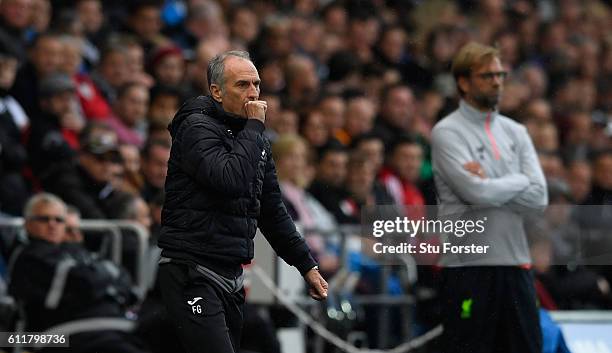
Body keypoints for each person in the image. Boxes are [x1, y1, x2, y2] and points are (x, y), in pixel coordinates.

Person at [158, 50, 327, 353]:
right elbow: (230, 180)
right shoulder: (196, 128)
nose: (253, 94)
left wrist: (307, 265)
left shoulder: (255, 140)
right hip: (192, 271)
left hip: (232, 273)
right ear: (216, 91)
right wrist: (255, 128)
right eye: (242, 85)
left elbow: (273, 211)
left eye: (257, 84)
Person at [431, 42, 548, 353]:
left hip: (516, 264)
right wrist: (520, 180)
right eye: (487, 76)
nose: (497, 81)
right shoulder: (447, 132)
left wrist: (494, 183)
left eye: (500, 74)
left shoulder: (516, 132)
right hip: (468, 268)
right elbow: (475, 192)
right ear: (464, 82)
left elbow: (539, 198)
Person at [8, 193, 147, 353]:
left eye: (59, 220)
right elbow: (83, 281)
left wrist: (95, 278)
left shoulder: (78, 253)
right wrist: (104, 278)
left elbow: (124, 279)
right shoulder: (28, 255)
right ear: (28, 224)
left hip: (114, 328)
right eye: (44, 219)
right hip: (63, 335)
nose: (52, 225)